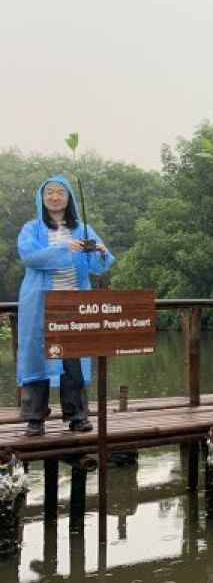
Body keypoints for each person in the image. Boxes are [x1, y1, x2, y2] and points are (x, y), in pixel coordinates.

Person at [16, 175, 115, 436]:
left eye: (61, 192)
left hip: (74, 304)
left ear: (69, 198)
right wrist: (65, 249)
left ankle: (77, 416)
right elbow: (30, 256)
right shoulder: (32, 228)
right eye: (49, 192)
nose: (55, 197)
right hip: (41, 304)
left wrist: (101, 252)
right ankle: (35, 418)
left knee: (74, 361)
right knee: (38, 357)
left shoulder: (83, 228)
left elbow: (98, 265)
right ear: (41, 197)